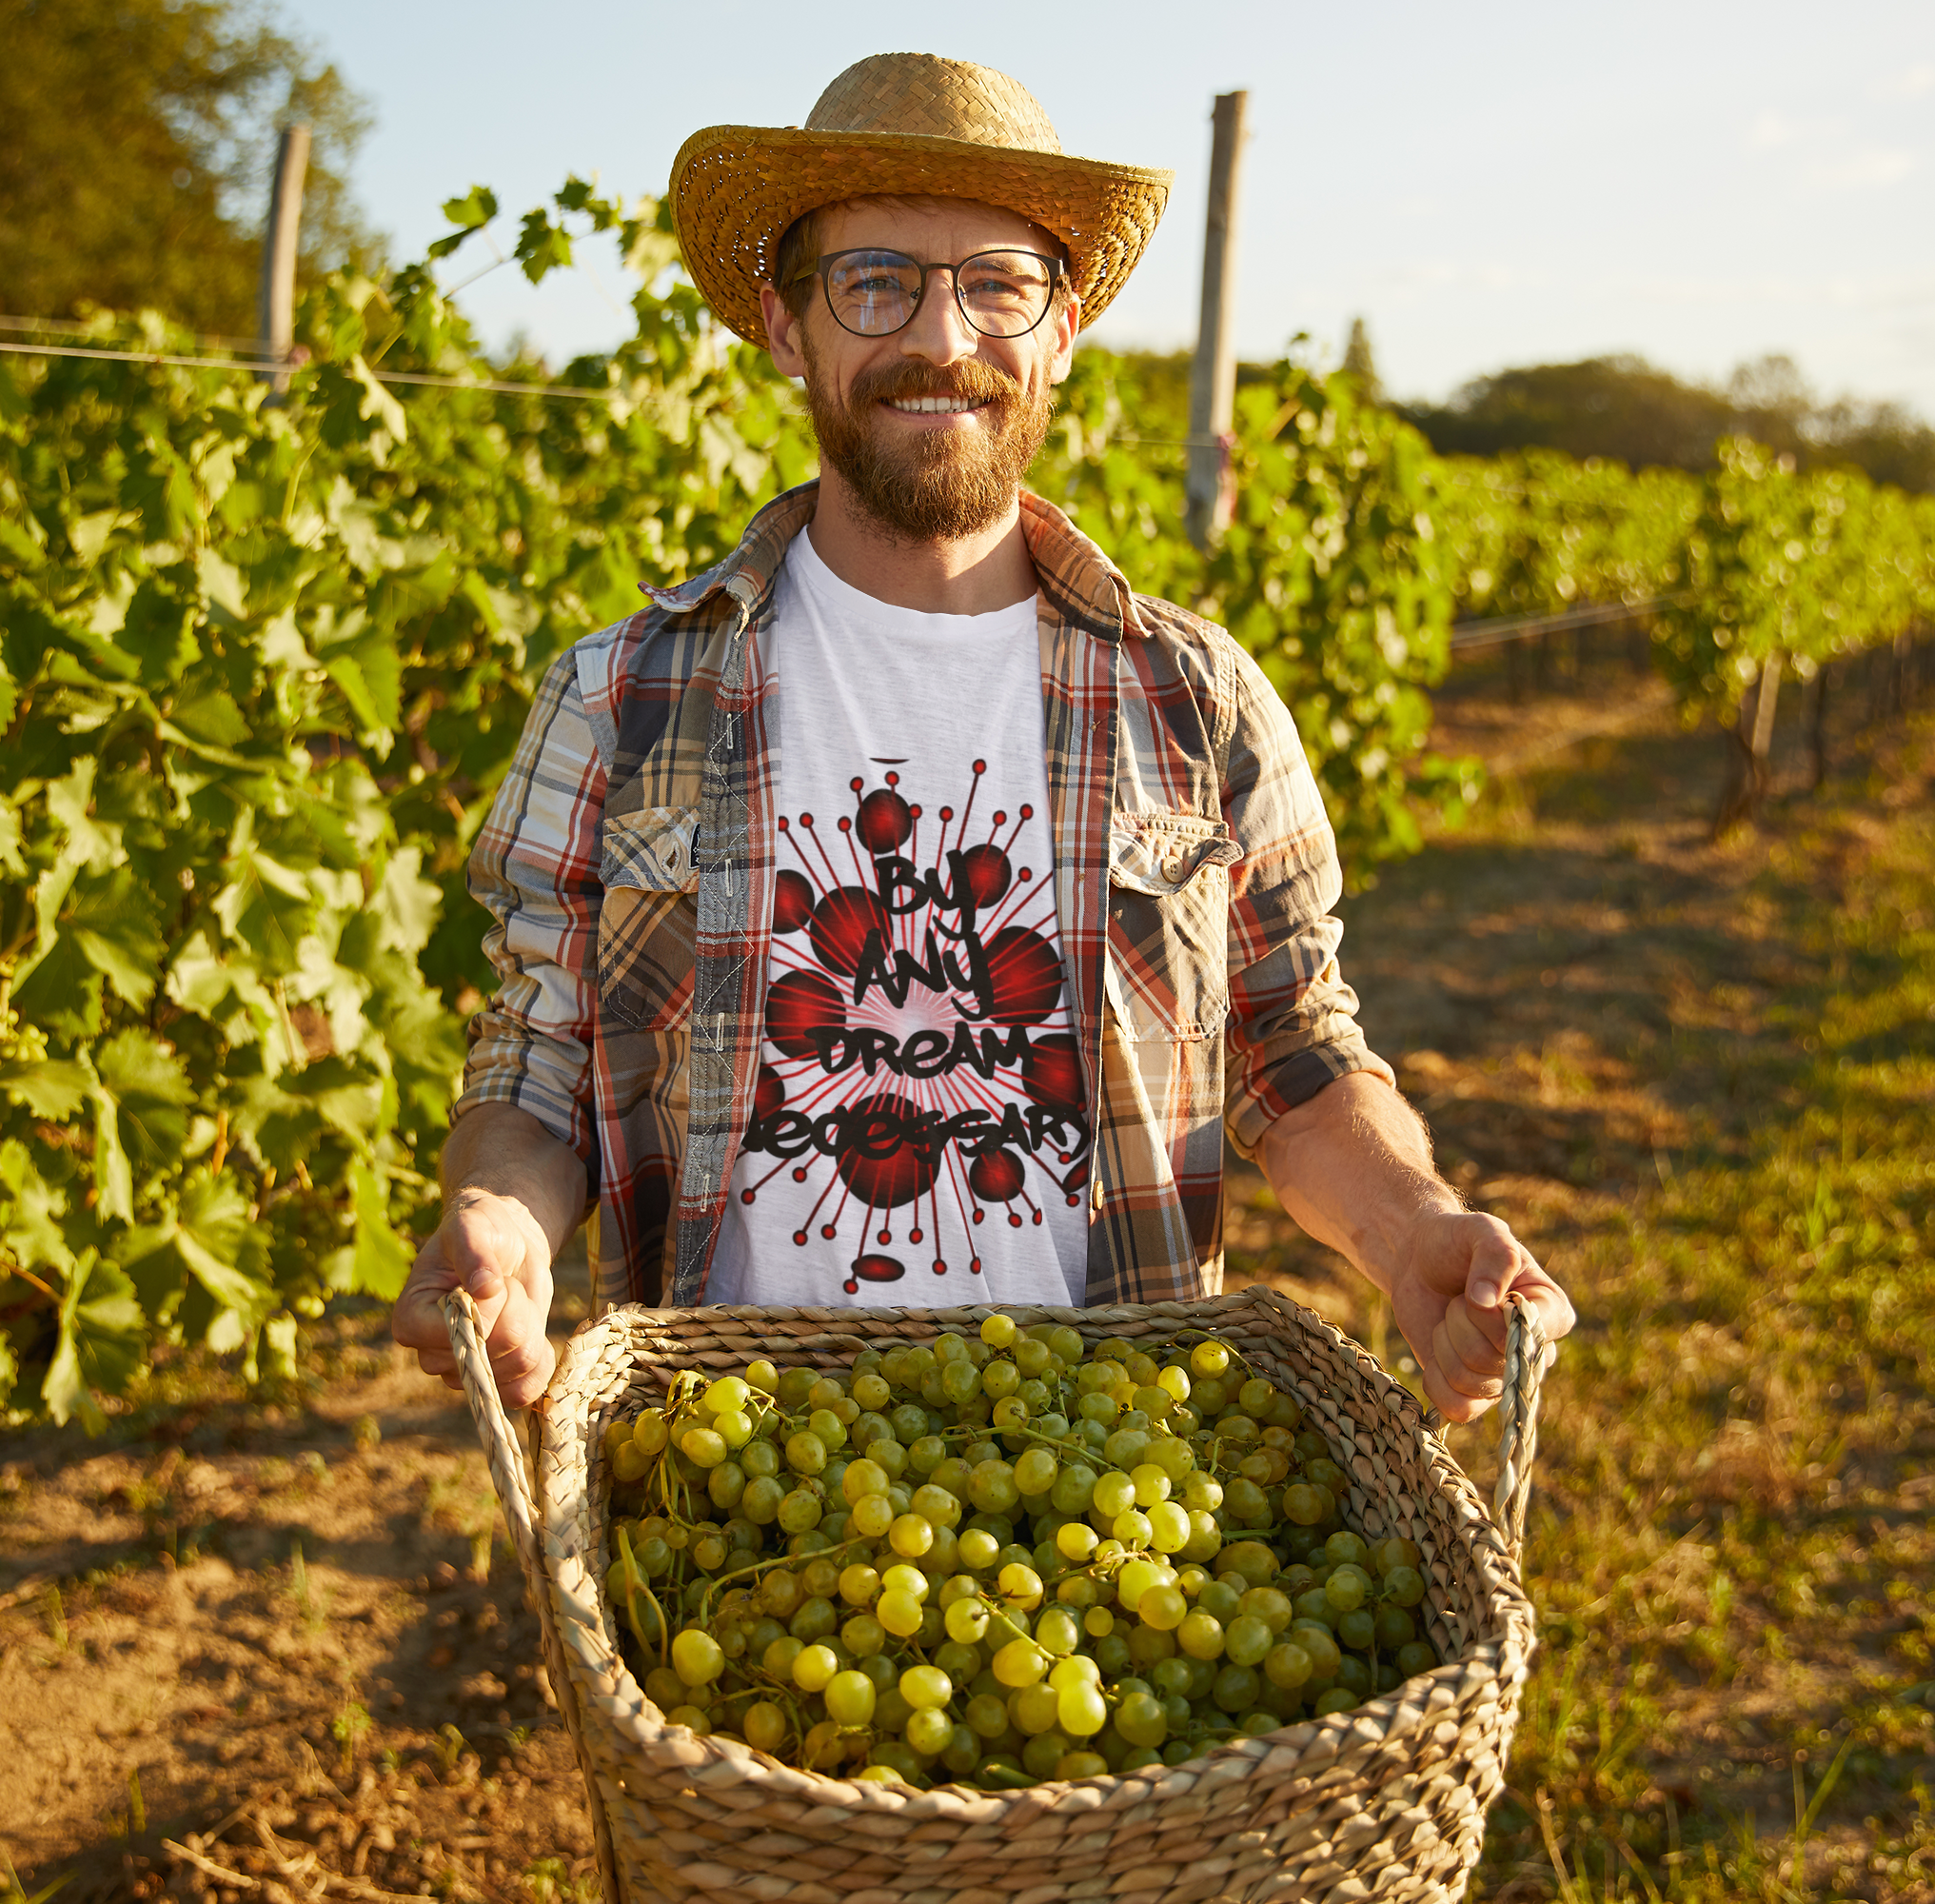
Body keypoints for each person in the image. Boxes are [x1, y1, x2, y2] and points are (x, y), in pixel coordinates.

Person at [395, 53, 1574, 1419]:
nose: (943, 339)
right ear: (786, 327)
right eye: (876, 281)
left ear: (1063, 328)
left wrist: (1414, 1228)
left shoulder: (1197, 698)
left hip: (1107, 1492)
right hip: (726, 1486)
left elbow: (1295, 1056)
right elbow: (540, 1070)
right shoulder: (618, 699)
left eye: (998, 284)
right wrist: (505, 1221)